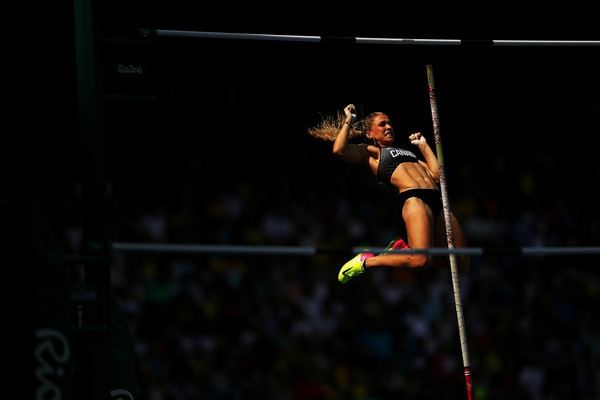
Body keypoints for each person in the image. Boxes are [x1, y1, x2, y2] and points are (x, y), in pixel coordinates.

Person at [308, 103, 469, 283]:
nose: (389, 126)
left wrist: (423, 146)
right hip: (415, 201)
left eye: (390, 123)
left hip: (438, 202)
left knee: (462, 263)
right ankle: (367, 261)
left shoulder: (409, 153)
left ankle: (402, 251)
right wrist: (348, 120)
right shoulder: (372, 152)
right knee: (420, 261)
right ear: (369, 134)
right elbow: (339, 149)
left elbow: (437, 175)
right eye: (382, 124)